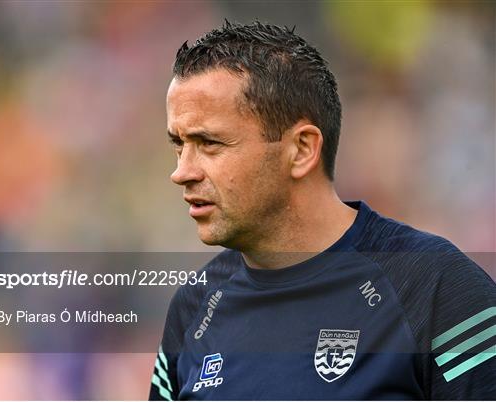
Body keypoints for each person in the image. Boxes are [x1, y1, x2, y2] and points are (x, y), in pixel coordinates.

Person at [149, 21, 495, 400]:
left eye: (210, 143)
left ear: (301, 149)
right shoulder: (193, 308)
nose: (182, 171)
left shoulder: (434, 286)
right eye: (179, 145)